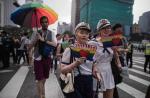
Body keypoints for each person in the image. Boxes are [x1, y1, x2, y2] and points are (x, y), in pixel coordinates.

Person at [60, 22, 97, 98]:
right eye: (82, 32)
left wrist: (95, 69)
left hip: (89, 82)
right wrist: (75, 64)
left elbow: (94, 64)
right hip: (76, 82)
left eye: (86, 33)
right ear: (76, 34)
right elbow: (62, 70)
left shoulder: (92, 49)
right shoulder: (70, 49)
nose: (84, 35)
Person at [29, 16, 57, 98]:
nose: (45, 23)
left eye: (46, 22)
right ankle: (41, 95)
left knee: (44, 77)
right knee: (39, 78)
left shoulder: (51, 33)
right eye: (43, 22)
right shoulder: (35, 33)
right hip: (38, 58)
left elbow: (55, 44)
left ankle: (42, 92)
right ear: (40, 23)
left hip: (47, 57)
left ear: (48, 23)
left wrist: (43, 40)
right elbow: (30, 46)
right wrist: (36, 39)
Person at [93, 19, 121, 98]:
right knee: (93, 94)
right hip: (96, 71)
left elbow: (116, 55)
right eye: (103, 28)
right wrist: (94, 67)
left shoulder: (113, 42)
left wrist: (119, 64)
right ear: (99, 30)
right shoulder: (93, 42)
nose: (106, 30)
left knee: (109, 95)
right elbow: (89, 59)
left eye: (108, 28)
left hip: (108, 70)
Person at [112, 23, 128, 98]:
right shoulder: (111, 38)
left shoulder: (123, 38)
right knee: (114, 81)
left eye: (121, 30)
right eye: (118, 30)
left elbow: (127, 48)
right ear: (114, 31)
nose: (120, 32)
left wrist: (121, 50)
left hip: (121, 60)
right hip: (112, 61)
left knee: (119, 79)